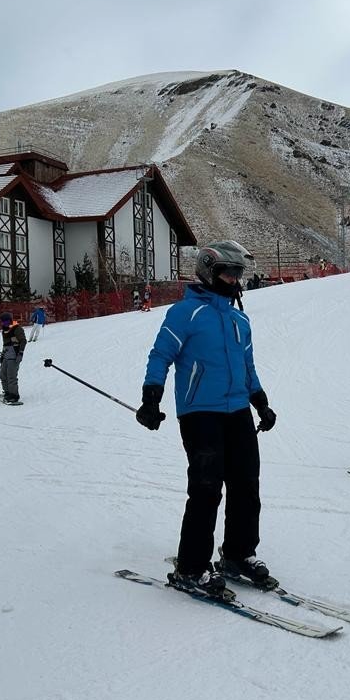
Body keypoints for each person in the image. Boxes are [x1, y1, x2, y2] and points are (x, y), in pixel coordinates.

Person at [136, 240, 277, 597]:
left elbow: (247, 367)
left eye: (238, 273)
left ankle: (238, 554)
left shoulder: (239, 319)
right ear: (209, 271)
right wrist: (151, 397)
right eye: (229, 273)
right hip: (200, 413)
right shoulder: (185, 313)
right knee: (206, 489)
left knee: (246, 484)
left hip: (237, 411)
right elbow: (160, 355)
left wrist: (260, 402)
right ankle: (191, 566)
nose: (235, 280)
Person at [0, 312, 27, 405]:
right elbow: (5, 344)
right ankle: (7, 392)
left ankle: (14, 395)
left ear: (10, 321)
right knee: (3, 375)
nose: (4, 324)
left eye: (6, 322)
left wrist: (20, 353)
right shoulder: (4, 330)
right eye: (2, 322)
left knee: (11, 376)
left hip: (14, 356)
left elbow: (23, 341)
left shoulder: (17, 329)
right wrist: (2, 355)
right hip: (6, 355)